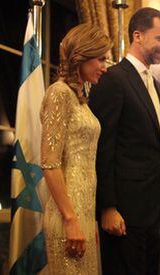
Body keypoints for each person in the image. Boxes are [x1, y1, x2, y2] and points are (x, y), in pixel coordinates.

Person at [89, 7, 160, 275]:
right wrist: (108, 206)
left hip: (153, 214)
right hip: (124, 213)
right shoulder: (114, 79)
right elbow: (104, 147)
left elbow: (159, 150)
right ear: (138, 35)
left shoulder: (158, 87)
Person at [40, 24, 111, 274]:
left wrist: (88, 219)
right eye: (101, 59)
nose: (105, 66)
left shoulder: (80, 99)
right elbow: (50, 163)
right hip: (66, 215)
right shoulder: (59, 93)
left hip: (83, 214)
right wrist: (70, 220)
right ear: (81, 56)